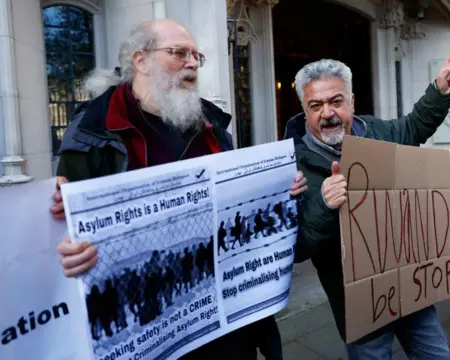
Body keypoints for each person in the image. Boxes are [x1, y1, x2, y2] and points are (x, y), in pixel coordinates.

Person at [49, 19, 308, 360]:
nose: (191, 63)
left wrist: (280, 191)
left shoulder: (212, 127)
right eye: (179, 53)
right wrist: (66, 248)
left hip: (222, 326)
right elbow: (64, 232)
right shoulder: (93, 136)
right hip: (148, 330)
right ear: (140, 60)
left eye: (195, 56)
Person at [284, 53, 450, 359]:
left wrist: (440, 90)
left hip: (410, 285)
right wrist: (324, 205)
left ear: (351, 101)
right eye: (316, 106)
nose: (328, 113)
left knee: (436, 354)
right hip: (361, 306)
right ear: (304, 110)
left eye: (336, 101)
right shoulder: (292, 168)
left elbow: (414, 126)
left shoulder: (379, 132)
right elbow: (298, 249)